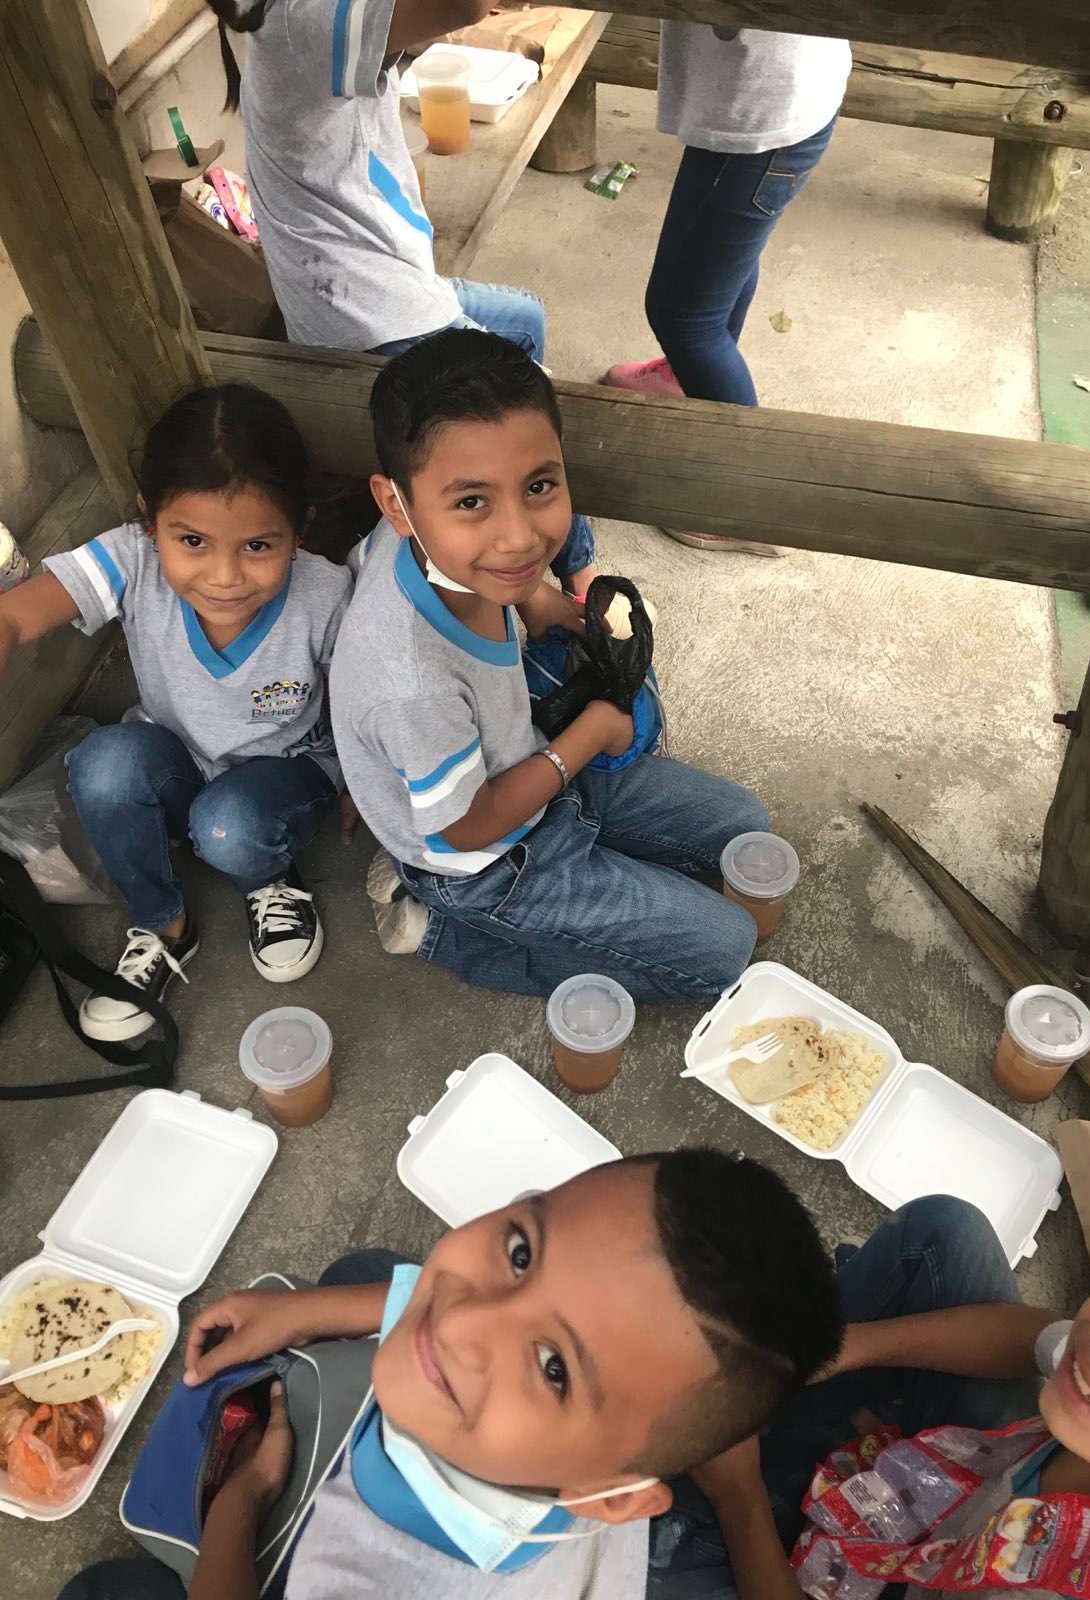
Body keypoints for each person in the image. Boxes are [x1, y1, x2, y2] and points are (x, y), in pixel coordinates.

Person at [58, 1148, 845, 1600]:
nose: (464, 1322)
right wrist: (305, 1312)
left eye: (554, 1367)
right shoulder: (593, 1455)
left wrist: (244, 1500)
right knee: (371, 1275)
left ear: (617, 1498)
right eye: (521, 1252)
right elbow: (449, 1310)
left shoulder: (357, 1583)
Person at [330, 326, 773, 999]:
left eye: (539, 485)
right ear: (397, 504)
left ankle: (586, 867)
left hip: (528, 760)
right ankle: (442, 927)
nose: (519, 537)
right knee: (724, 955)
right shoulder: (410, 683)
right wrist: (588, 737)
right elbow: (469, 824)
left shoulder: (421, 549)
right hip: (483, 856)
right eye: (472, 502)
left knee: (746, 827)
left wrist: (538, 597)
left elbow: (499, 560)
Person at [204, 0, 597, 594]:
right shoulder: (300, 17)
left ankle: (534, 551)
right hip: (369, 311)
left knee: (524, 316)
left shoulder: (297, 23)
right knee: (539, 400)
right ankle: (572, 577)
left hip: (384, 280)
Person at [0, 384, 350, 1041]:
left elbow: (364, 699)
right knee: (100, 766)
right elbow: (19, 613)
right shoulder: (131, 560)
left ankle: (270, 877)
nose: (223, 576)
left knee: (229, 828)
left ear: (297, 530)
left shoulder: (326, 594)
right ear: (148, 521)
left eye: (257, 546)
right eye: (191, 540)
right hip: (179, 759)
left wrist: (368, 780)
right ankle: (162, 923)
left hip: (289, 773)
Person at [650, 1194, 1090, 1600]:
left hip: (936, 1574)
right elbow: (1039, 1340)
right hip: (960, 1517)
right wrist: (842, 1349)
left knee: (627, 1546)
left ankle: (730, 1491)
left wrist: (738, 1497)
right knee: (946, 1235)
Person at [605, 26, 850, 556]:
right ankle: (686, 376)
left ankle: (747, 505)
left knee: (683, 316)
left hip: (766, 116)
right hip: (763, 101)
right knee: (721, 261)